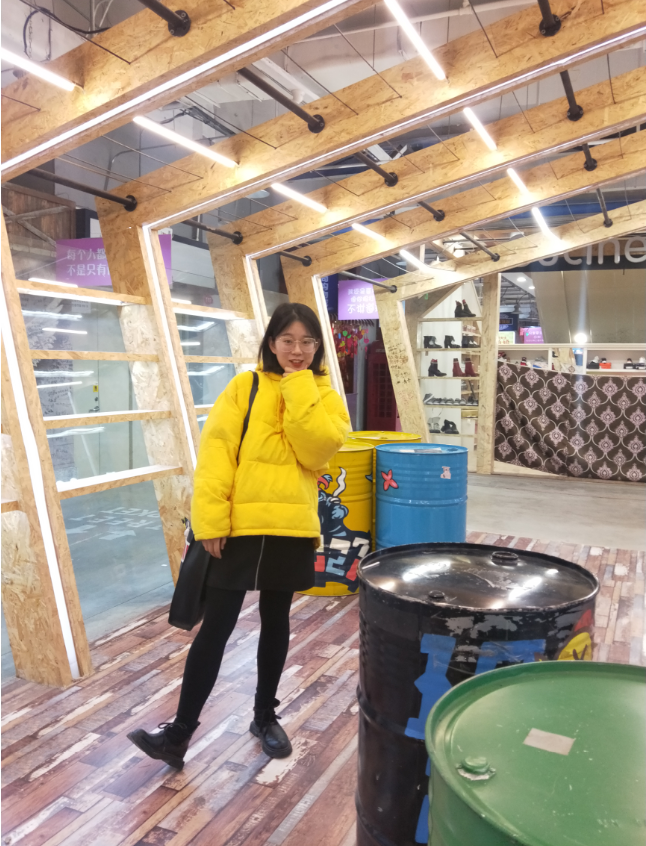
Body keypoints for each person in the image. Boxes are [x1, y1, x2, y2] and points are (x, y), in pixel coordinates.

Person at [128, 303, 350, 769]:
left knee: (276, 622)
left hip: (291, 527)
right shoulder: (244, 387)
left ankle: (265, 717)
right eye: (287, 340)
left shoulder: (325, 396)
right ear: (271, 342)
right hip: (239, 528)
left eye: (306, 341)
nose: (296, 350)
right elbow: (216, 455)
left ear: (317, 346)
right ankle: (179, 733)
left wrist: (298, 385)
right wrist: (210, 522)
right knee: (217, 627)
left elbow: (316, 452)